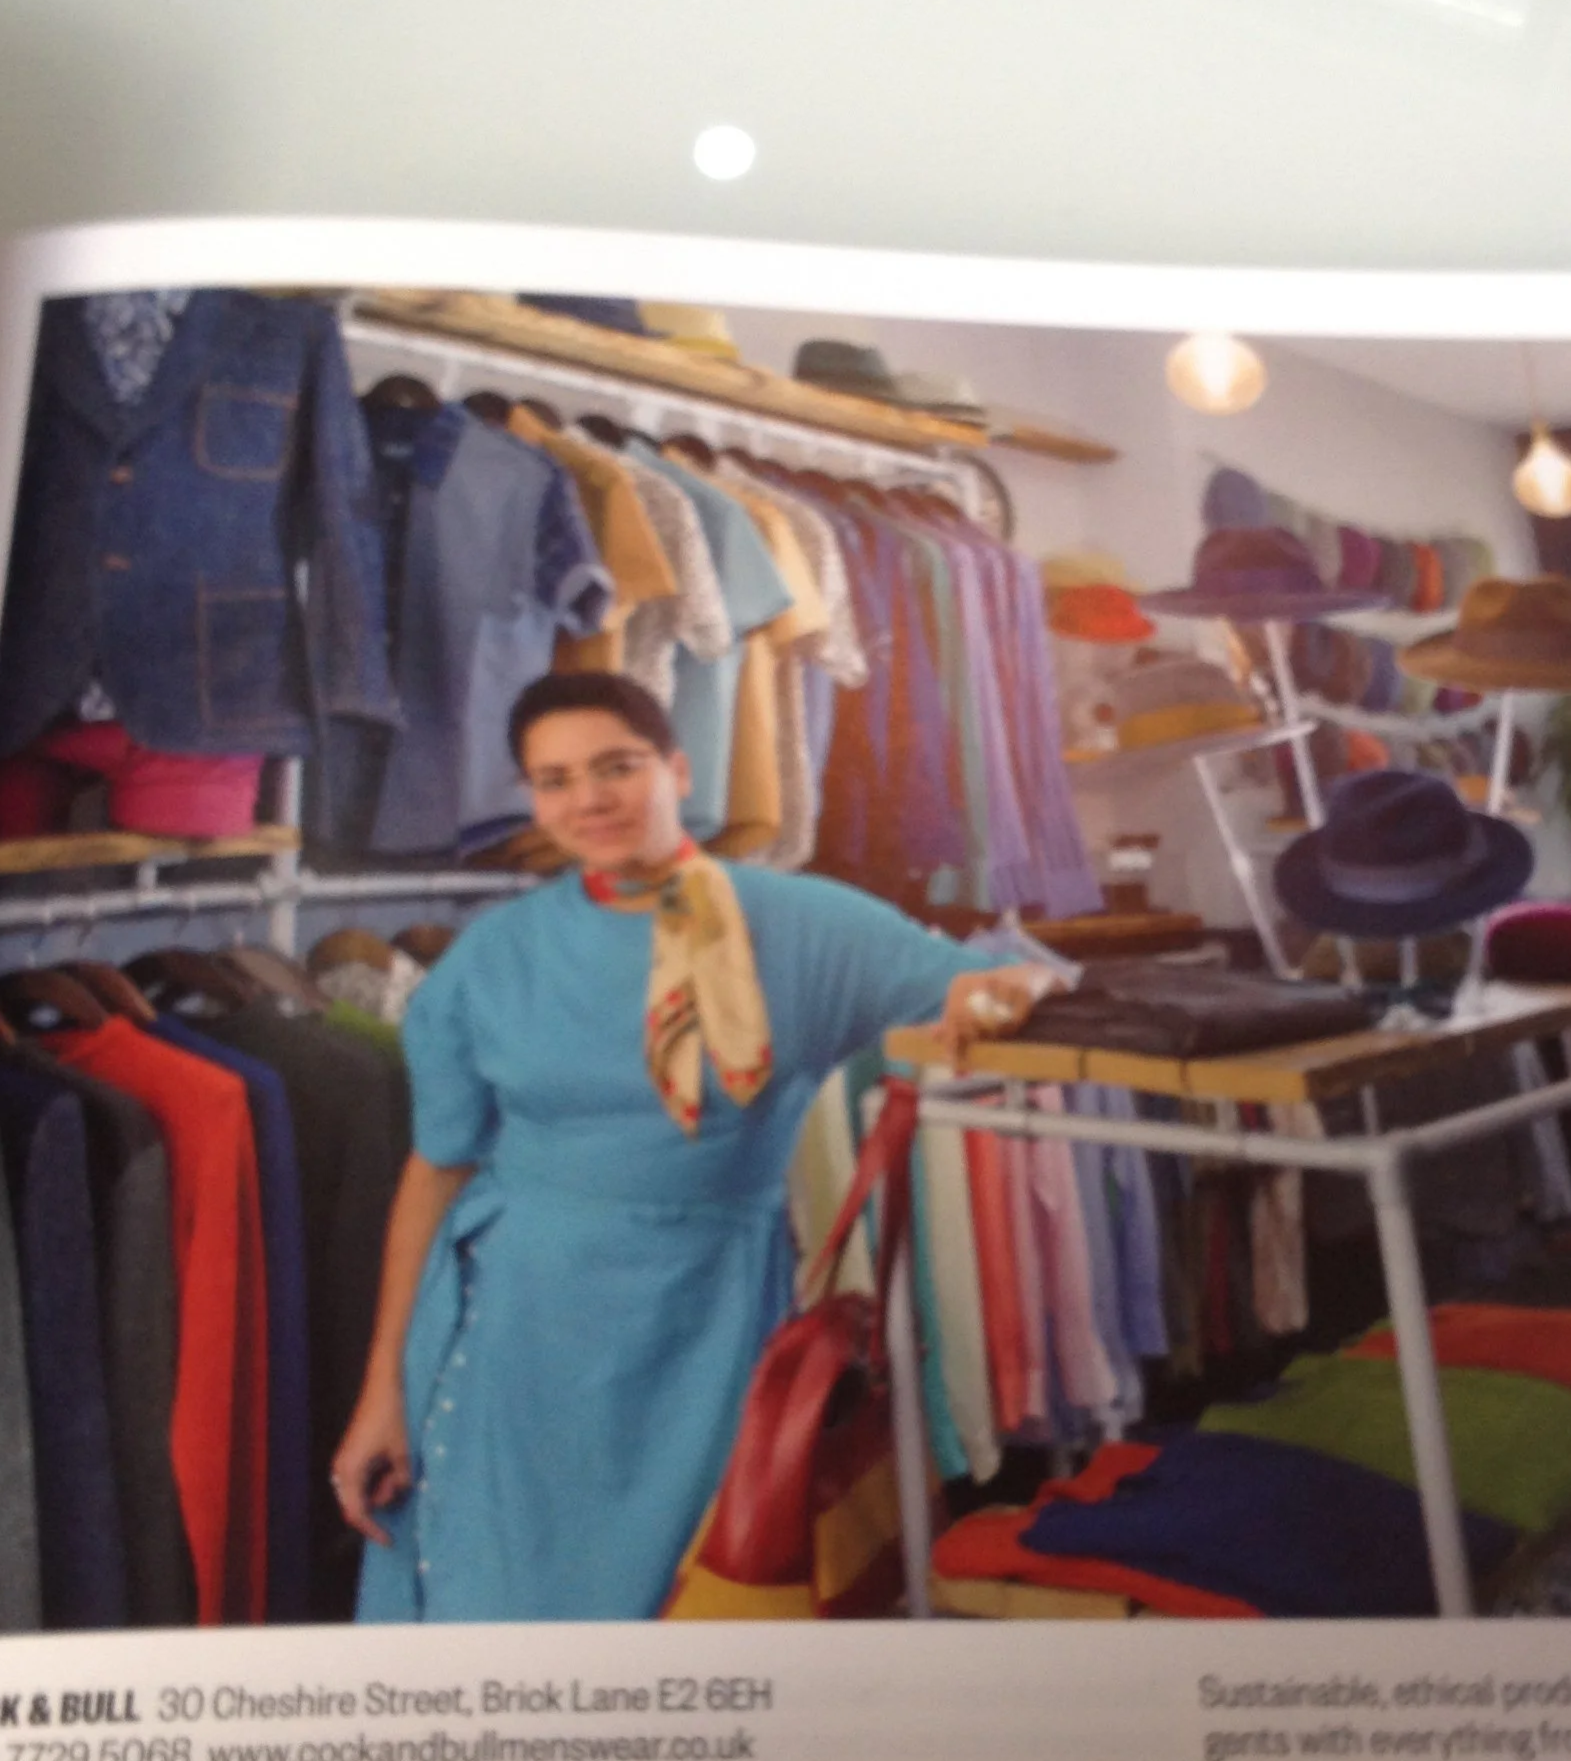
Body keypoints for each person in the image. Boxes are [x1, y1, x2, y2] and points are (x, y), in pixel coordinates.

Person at [328, 670, 1056, 1620]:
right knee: (493, 1611)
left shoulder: (803, 926)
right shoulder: (491, 958)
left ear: (677, 767)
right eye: (553, 780)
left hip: (703, 1327)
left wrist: (1001, 997)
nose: (587, 799)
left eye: (615, 766)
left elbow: (989, 979)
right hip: (512, 1333)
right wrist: (381, 1387)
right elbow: (435, 1172)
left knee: (697, 1605)